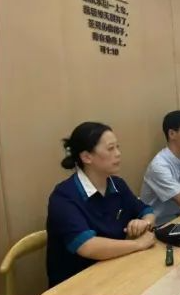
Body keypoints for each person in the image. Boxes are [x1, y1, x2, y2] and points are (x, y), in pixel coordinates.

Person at [46, 122, 156, 287]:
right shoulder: (64, 196)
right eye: (111, 149)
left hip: (115, 269)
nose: (118, 154)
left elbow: (147, 211)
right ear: (86, 157)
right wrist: (137, 244)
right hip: (78, 283)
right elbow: (88, 246)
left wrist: (145, 223)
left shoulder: (117, 184)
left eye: (118, 147)